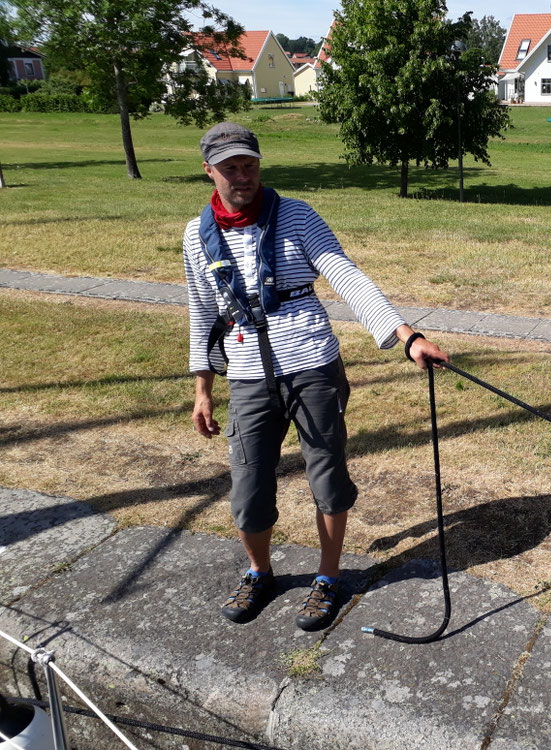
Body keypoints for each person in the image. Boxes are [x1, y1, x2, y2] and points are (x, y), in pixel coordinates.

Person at [183, 122, 448, 631]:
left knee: (326, 476)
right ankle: (259, 572)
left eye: (250, 165)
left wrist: (406, 335)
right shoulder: (196, 236)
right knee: (248, 485)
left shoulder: (297, 216)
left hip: (311, 365)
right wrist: (202, 388)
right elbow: (200, 309)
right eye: (231, 167)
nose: (243, 175)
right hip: (245, 373)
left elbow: (347, 275)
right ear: (209, 170)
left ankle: (328, 578)